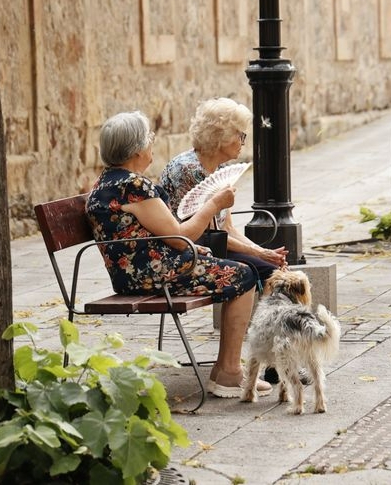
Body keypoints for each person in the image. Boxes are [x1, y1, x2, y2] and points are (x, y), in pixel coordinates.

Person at [85, 111, 272, 398]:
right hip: (153, 275)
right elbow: (181, 235)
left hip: (136, 273)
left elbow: (154, 236)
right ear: (137, 150)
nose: (152, 144)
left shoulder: (104, 184)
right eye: (149, 139)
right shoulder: (134, 187)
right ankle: (229, 372)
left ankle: (228, 370)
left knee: (235, 268)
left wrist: (192, 249)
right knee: (244, 274)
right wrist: (213, 204)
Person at [159, 97, 288, 284]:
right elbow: (208, 234)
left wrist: (264, 252)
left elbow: (227, 228)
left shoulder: (220, 170)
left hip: (215, 245)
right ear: (222, 136)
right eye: (240, 135)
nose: (243, 142)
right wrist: (259, 253)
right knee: (270, 273)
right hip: (190, 250)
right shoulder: (188, 169)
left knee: (276, 269)